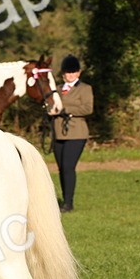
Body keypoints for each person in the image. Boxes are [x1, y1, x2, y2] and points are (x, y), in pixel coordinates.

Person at [50, 54, 93, 213]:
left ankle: (68, 202)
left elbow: (88, 108)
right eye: (67, 73)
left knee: (68, 167)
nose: (70, 75)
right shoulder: (58, 89)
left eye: (73, 72)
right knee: (61, 168)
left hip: (76, 133)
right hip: (58, 133)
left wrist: (66, 110)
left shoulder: (85, 89)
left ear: (78, 73)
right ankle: (65, 199)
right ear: (63, 74)